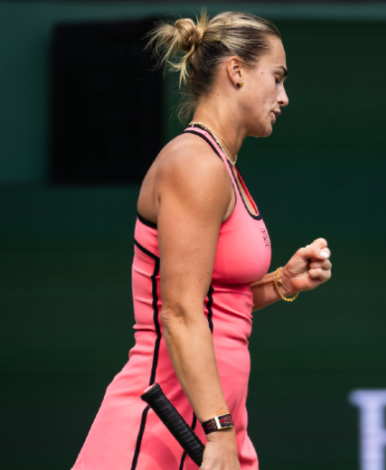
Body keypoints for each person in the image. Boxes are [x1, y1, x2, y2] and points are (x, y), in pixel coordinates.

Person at [72, 11, 332, 470]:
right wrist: (219, 428)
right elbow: (178, 311)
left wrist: (282, 283)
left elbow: (216, 303)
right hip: (163, 431)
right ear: (236, 71)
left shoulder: (221, 168)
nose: (284, 97)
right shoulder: (196, 165)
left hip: (212, 425)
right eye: (277, 78)